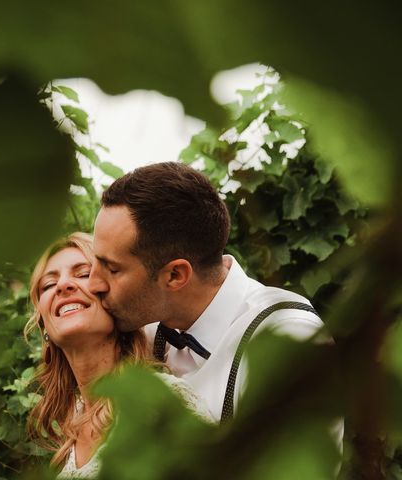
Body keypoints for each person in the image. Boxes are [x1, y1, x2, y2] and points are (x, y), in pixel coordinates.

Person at [88, 161, 331, 422]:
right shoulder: (145, 333)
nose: (93, 284)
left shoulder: (288, 342)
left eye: (112, 269)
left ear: (175, 275)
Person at [24, 232, 211, 478]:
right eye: (48, 285)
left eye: (83, 274)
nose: (63, 286)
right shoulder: (72, 427)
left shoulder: (160, 404)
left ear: (115, 301)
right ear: (45, 326)